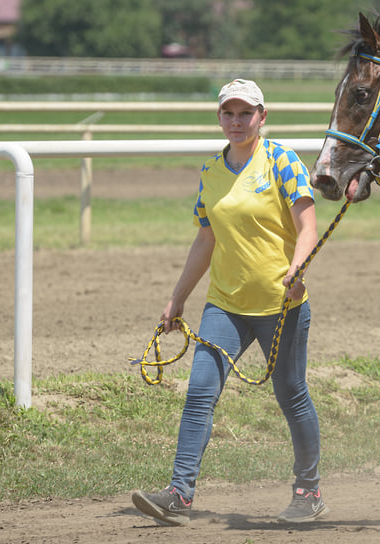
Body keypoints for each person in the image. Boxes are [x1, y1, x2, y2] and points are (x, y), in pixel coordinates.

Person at [131, 78, 327, 526]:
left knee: (292, 395)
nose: (236, 122)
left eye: (245, 113)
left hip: (282, 306)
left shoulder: (282, 161)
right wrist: (177, 298)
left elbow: (308, 229)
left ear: (263, 116)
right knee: (200, 391)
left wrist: (298, 270)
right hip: (224, 305)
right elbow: (206, 238)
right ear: (219, 117)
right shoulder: (211, 170)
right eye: (228, 113)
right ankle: (180, 494)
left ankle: (308, 490)